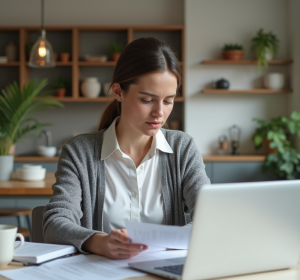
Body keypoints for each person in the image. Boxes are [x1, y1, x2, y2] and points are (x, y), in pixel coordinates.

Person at [43, 37, 210, 260]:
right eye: (147, 100)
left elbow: (208, 217)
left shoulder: (182, 148)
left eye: (168, 101)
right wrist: (99, 242)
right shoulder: (79, 152)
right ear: (118, 92)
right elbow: (55, 222)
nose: (159, 112)